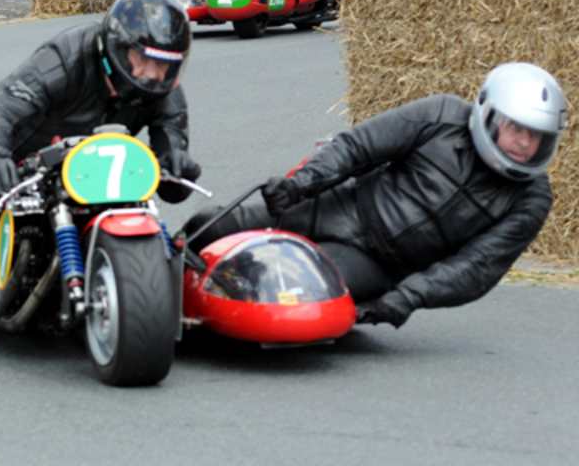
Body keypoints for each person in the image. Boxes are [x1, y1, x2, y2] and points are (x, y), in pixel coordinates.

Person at [185, 62, 567, 329]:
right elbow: (358, 147)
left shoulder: (531, 198)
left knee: (293, 287)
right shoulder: (441, 115)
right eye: (516, 128)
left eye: (537, 136)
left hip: (379, 263)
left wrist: (409, 295)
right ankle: (159, 281)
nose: (524, 143)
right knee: (216, 223)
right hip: (337, 207)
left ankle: (219, 313)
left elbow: (478, 266)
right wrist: (301, 183)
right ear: (489, 115)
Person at [0, 0, 203, 285]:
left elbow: (173, 173)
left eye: (166, 65)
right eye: (147, 61)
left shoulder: (164, 90)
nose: (155, 74)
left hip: (92, 175)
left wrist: (177, 164)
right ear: (119, 47)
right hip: (17, 162)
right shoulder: (66, 57)